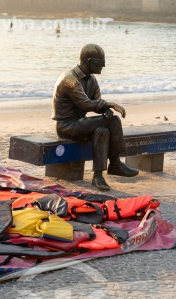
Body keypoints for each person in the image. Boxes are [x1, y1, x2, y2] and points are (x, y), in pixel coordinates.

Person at [52, 44, 138, 191]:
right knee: (114, 120)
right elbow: (86, 104)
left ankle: (98, 177)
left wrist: (105, 110)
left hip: (81, 124)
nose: (103, 66)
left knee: (102, 131)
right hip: (67, 126)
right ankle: (116, 163)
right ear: (89, 61)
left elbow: (96, 102)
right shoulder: (70, 79)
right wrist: (108, 105)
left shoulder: (91, 79)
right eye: (100, 62)